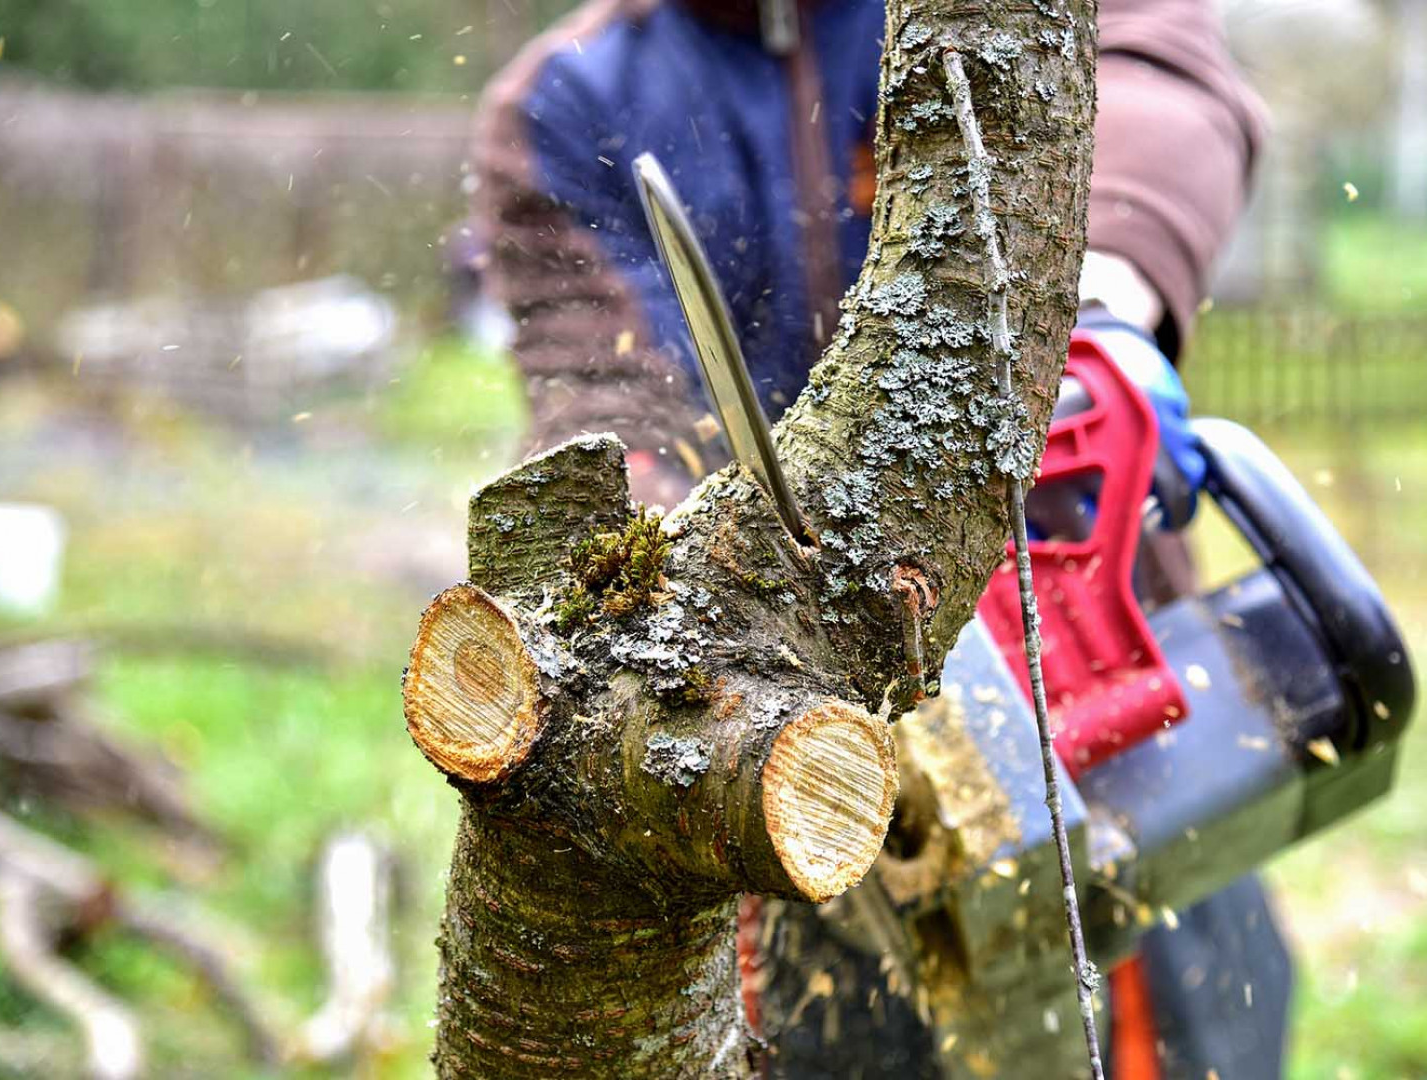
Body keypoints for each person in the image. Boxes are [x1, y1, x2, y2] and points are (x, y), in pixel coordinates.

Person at [467, 1, 1288, 1076]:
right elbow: (606, 397)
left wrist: (1096, 308)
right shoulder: (567, 98)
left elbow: (1151, 70)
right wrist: (663, 563)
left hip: (1092, 703)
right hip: (803, 770)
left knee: (1170, 1026)